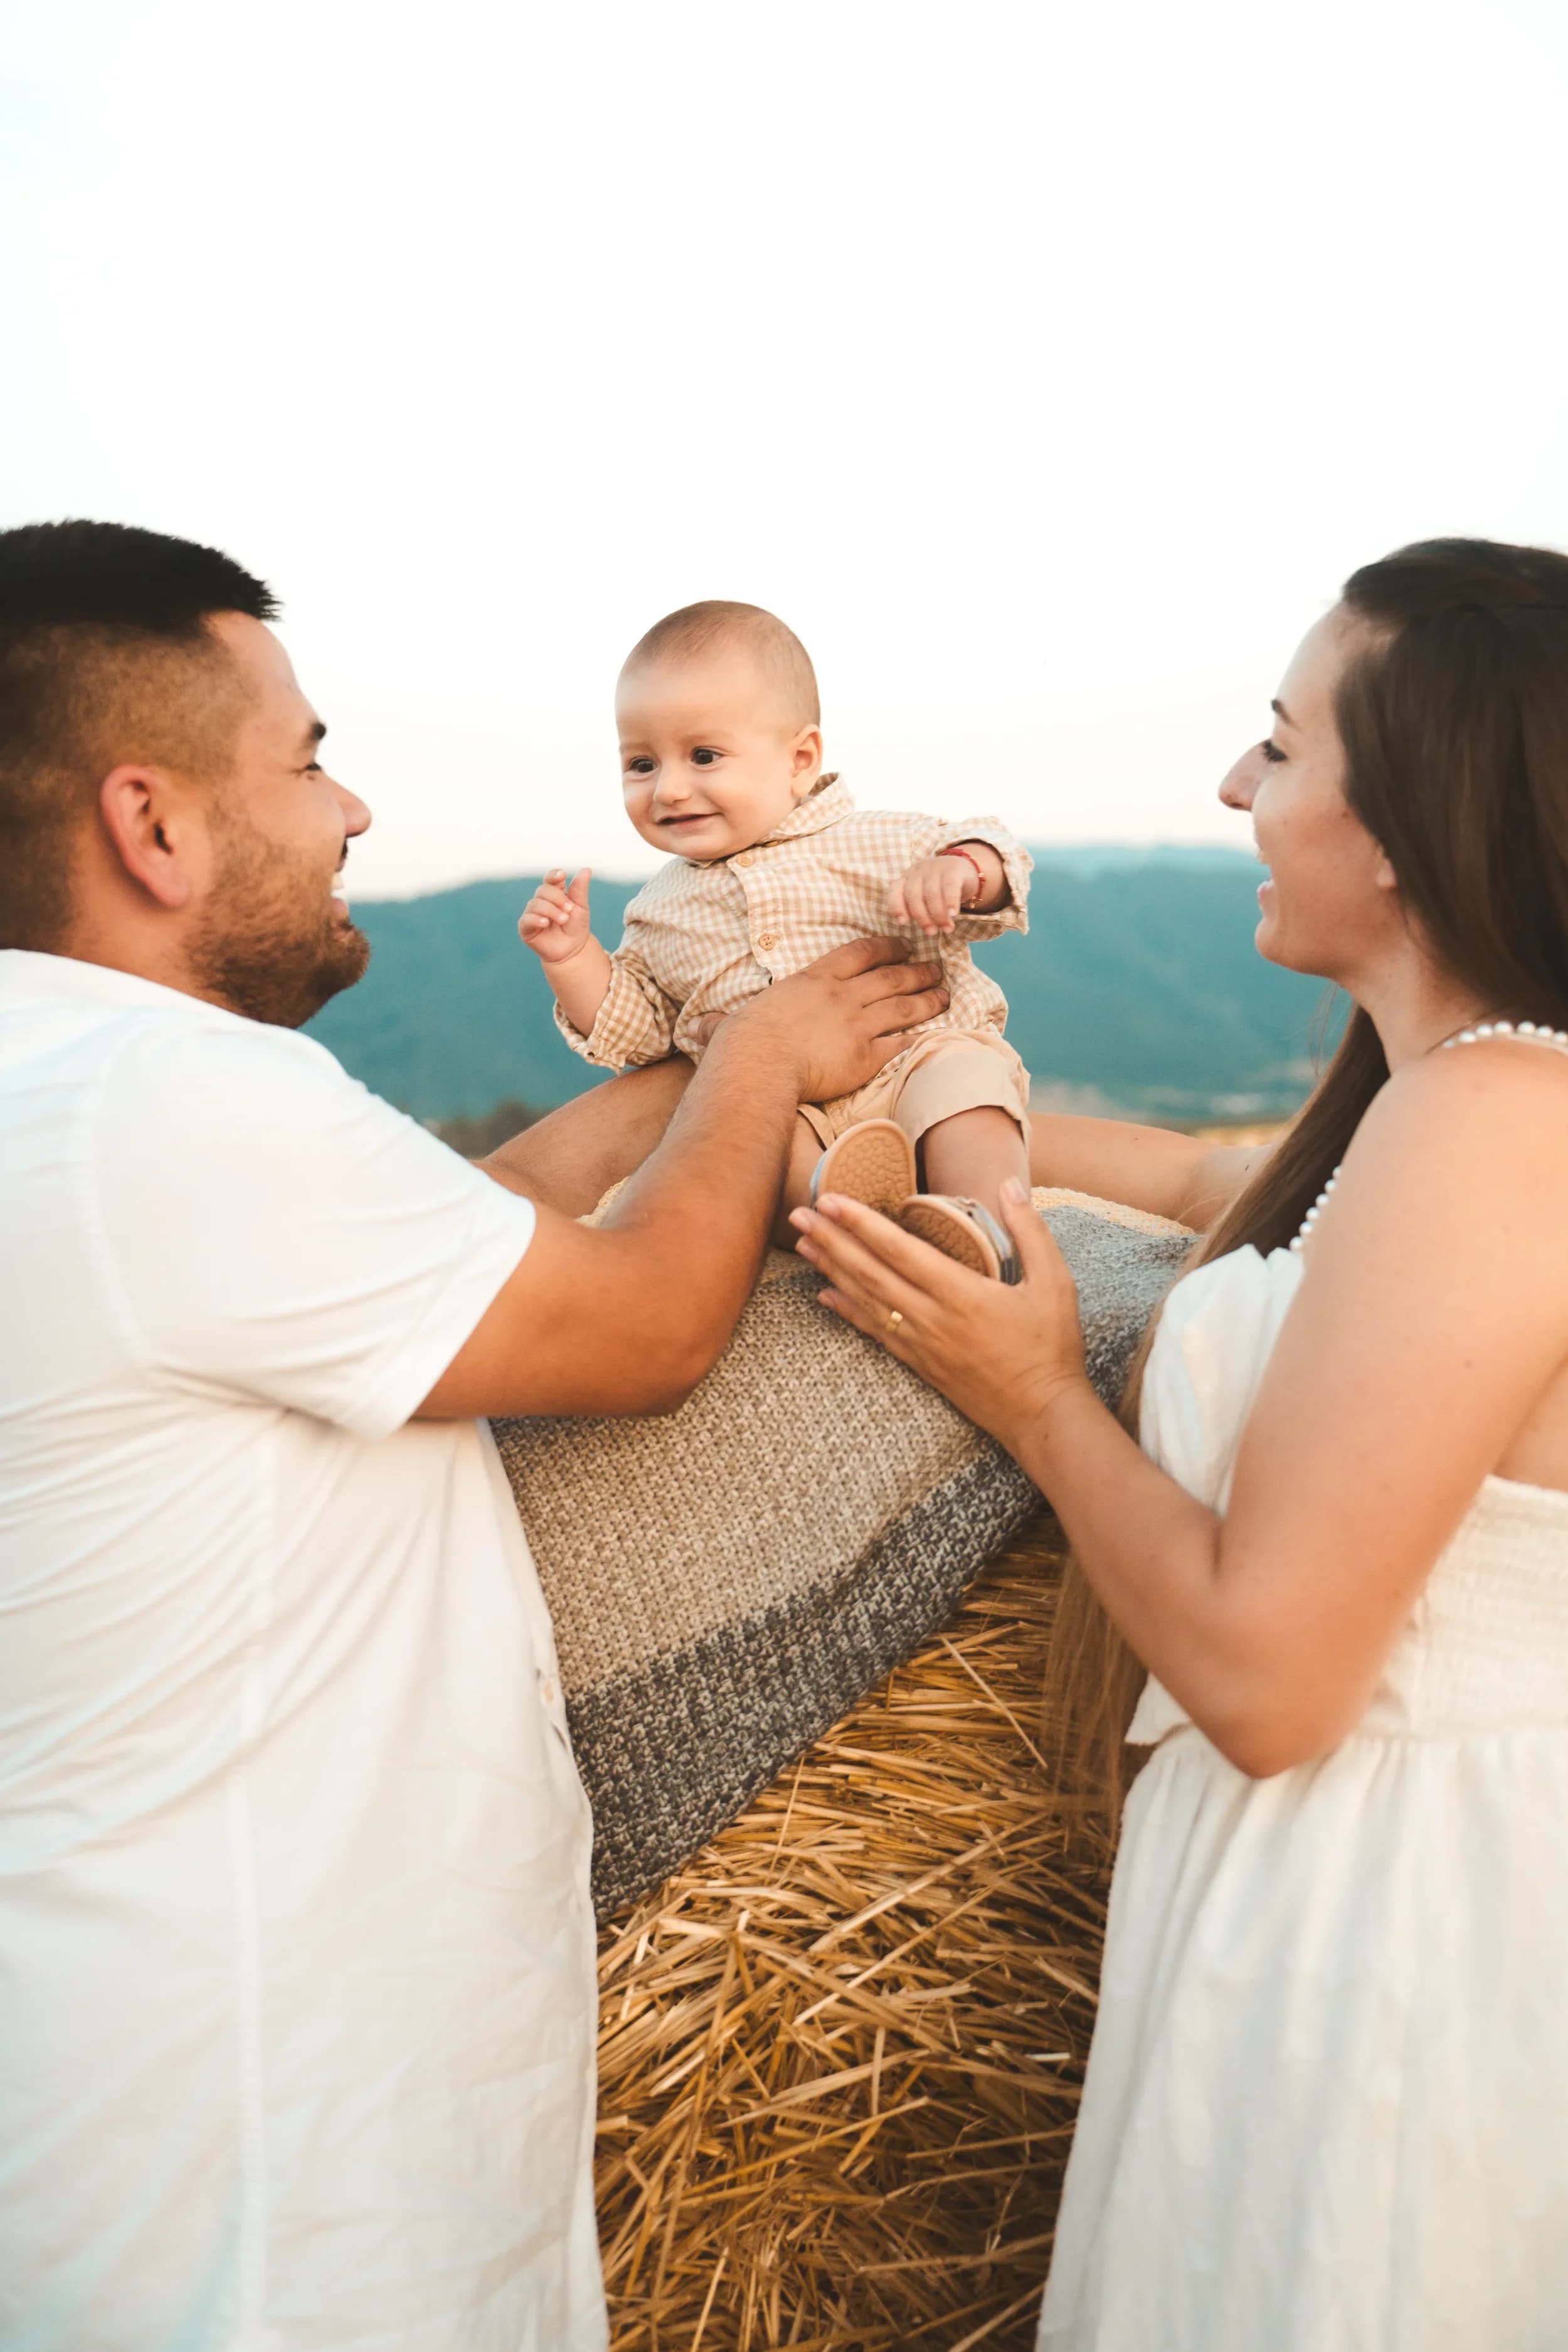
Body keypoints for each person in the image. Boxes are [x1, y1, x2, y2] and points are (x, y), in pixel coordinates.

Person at [0, 519, 948, 2352]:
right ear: (153, 822)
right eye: (303, 759)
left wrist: (668, 1085)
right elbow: (648, 1327)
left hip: (136, 2115)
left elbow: (452, 1245)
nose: (351, 811)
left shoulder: (70, 1104)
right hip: (261, 2187)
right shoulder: (174, 1097)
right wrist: (760, 1055)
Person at [788, 538, 1568, 2349]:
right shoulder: (1445, 1118)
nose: (1232, 785)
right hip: (1340, 1891)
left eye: (1280, 747)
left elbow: (1268, 1672)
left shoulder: (1494, 1120)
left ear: (1401, 822)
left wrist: (1033, 1390)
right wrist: (854, 1087)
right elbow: (1192, 1178)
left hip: (1401, 1932)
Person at [519, 598, 1035, 1275]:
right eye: (641, 764)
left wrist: (963, 869)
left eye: (704, 755)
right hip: (788, 1104)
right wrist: (574, 957)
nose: (669, 788)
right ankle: (848, 1219)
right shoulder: (657, 908)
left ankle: (987, 1229)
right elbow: (637, 1030)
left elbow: (1001, 853)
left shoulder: (878, 839)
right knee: (748, 1144)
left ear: (800, 759)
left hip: (915, 1057)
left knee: (967, 1089)